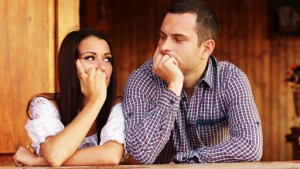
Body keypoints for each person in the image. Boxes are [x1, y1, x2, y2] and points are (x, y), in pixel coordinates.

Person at [122, 0, 262, 164]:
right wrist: (173, 86)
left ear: (206, 48)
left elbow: (250, 146)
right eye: (162, 37)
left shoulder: (230, 79)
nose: (164, 46)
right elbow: (141, 154)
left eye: (178, 39)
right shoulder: (141, 80)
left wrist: (184, 161)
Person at [13, 29, 124, 167]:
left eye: (107, 59)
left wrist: (39, 162)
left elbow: (111, 155)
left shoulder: (118, 106)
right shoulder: (44, 105)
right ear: (71, 65)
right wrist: (96, 101)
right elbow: (55, 154)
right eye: (90, 57)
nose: (102, 67)